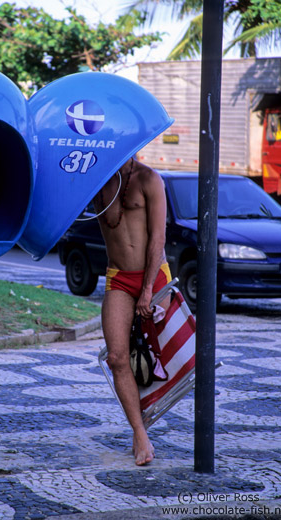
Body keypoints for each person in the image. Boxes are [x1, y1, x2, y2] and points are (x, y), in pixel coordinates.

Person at [94, 157, 172, 466]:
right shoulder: (96, 182)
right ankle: (140, 432)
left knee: (158, 358)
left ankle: (146, 418)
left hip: (154, 274)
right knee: (117, 358)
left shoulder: (149, 179)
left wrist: (149, 289)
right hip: (119, 277)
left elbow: (158, 238)